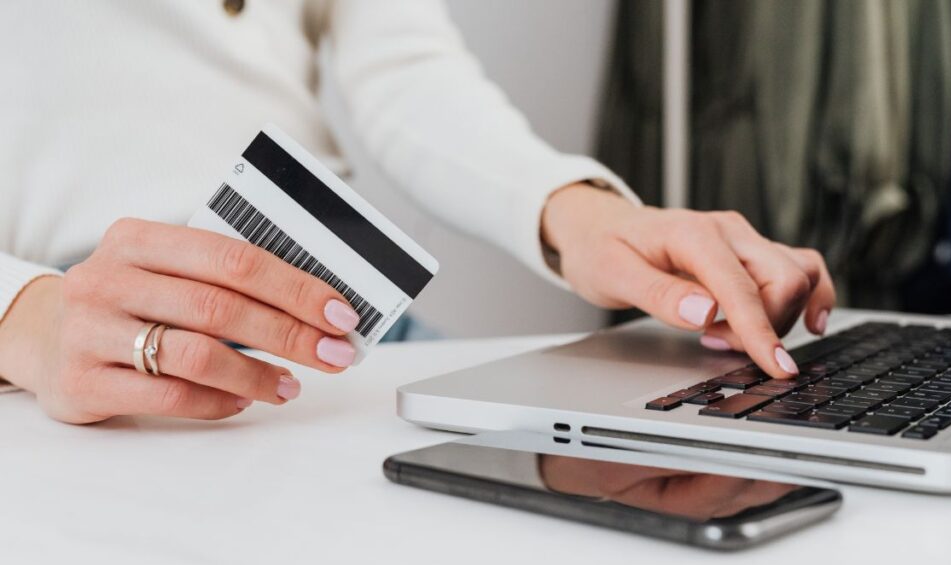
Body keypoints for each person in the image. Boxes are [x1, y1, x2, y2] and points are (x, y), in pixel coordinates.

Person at [0, 0, 834, 425]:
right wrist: (26, 321)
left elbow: (401, 64)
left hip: (347, 340)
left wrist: (573, 212)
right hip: (61, 369)